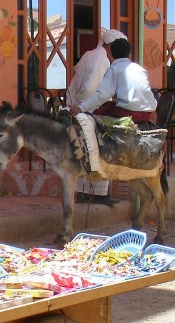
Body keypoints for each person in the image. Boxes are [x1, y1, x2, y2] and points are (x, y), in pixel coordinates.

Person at [65, 28, 127, 206]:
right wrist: (85, 108)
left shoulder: (89, 55)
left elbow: (74, 85)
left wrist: (74, 106)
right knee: (100, 150)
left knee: (82, 151)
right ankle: (97, 194)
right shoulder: (102, 60)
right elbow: (93, 90)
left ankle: (83, 192)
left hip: (81, 110)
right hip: (91, 111)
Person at [71, 37, 158, 126]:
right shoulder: (140, 69)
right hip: (148, 113)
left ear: (110, 52)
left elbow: (102, 95)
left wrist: (81, 108)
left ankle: (99, 139)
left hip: (128, 112)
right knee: (110, 105)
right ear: (129, 54)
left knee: (98, 112)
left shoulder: (113, 69)